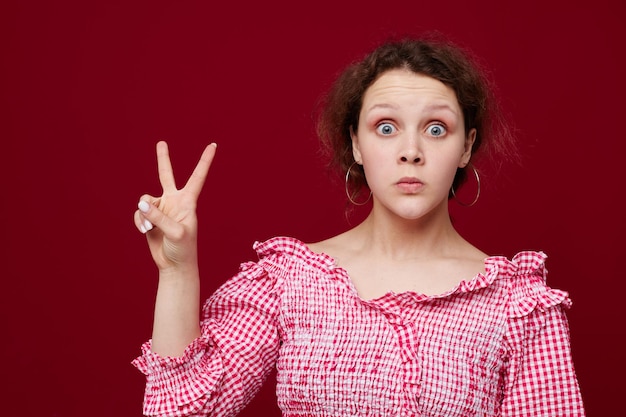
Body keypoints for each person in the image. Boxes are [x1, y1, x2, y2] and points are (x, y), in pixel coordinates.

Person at [132, 36, 585, 416]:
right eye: (386, 127)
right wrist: (177, 272)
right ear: (357, 143)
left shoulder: (519, 305)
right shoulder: (290, 282)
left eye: (436, 128)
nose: (411, 151)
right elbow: (178, 410)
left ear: (466, 147)